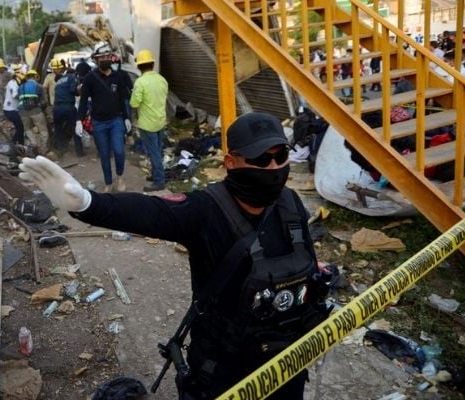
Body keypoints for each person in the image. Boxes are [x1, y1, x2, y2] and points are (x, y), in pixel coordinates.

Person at [18, 112, 331, 399]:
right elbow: (151, 212)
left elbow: (304, 259)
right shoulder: (206, 211)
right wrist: (86, 203)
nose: (274, 168)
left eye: (281, 156)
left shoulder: (290, 205)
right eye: (262, 159)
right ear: (231, 162)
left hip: (287, 363)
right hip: (225, 372)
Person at [76, 41, 132, 192]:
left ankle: (120, 176)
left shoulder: (118, 77)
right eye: (101, 57)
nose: (104, 59)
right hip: (99, 123)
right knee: (104, 155)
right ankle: (108, 182)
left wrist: (126, 118)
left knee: (119, 151)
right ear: (96, 59)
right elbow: (82, 101)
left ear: (111, 57)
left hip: (116, 120)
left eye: (107, 56)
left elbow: (122, 99)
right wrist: (78, 120)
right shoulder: (90, 78)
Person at [129, 49, 168, 192]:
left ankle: (159, 181)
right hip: (160, 122)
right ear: (152, 64)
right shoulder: (161, 79)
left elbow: (134, 103)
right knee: (157, 150)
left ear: (139, 66)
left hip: (148, 124)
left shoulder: (140, 82)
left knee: (154, 153)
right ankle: (156, 175)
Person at [51, 58, 84, 157]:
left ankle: (60, 149)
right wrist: (79, 90)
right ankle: (79, 152)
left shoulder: (59, 81)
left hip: (56, 108)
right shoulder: (71, 77)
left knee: (58, 128)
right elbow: (73, 90)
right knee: (75, 127)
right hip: (68, 107)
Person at [18, 69, 49, 154]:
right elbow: (45, 101)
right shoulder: (39, 86)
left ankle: (34, 144)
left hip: (23, 112)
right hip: (36, 111)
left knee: (27, 129)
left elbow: (19, 99)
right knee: (43, 130)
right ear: (36, 77)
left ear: (27, 77)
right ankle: (43, 149)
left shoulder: (21, 87)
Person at [3, 71, 25, 146]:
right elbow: (15, 95)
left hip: (12, 109)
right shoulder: (13, 83)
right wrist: (25, 97)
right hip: (10, 109)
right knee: (20, 128)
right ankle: (13, 144)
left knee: (20, 127)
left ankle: (21, 144)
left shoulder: (12, 83)